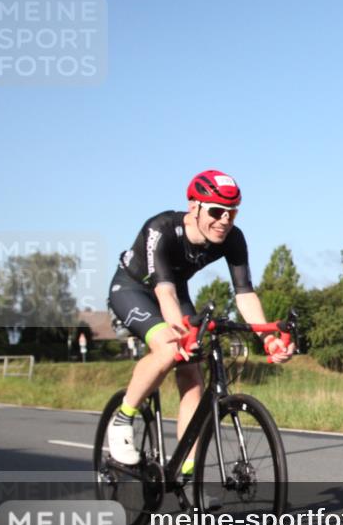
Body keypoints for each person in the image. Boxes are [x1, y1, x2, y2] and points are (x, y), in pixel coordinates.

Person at [107, 170, 292, 469]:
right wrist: (178, 334)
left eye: (231, 213)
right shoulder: (162, 228)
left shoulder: (232, 238)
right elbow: (164, 293)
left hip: (175, 291)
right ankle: (122, 418)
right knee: (169, 347)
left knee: (192, 373)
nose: (224, 221)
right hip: (134, 289)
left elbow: (244, 295)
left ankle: (187, 474)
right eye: (216, 211)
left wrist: (267, 338)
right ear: (194, 206)